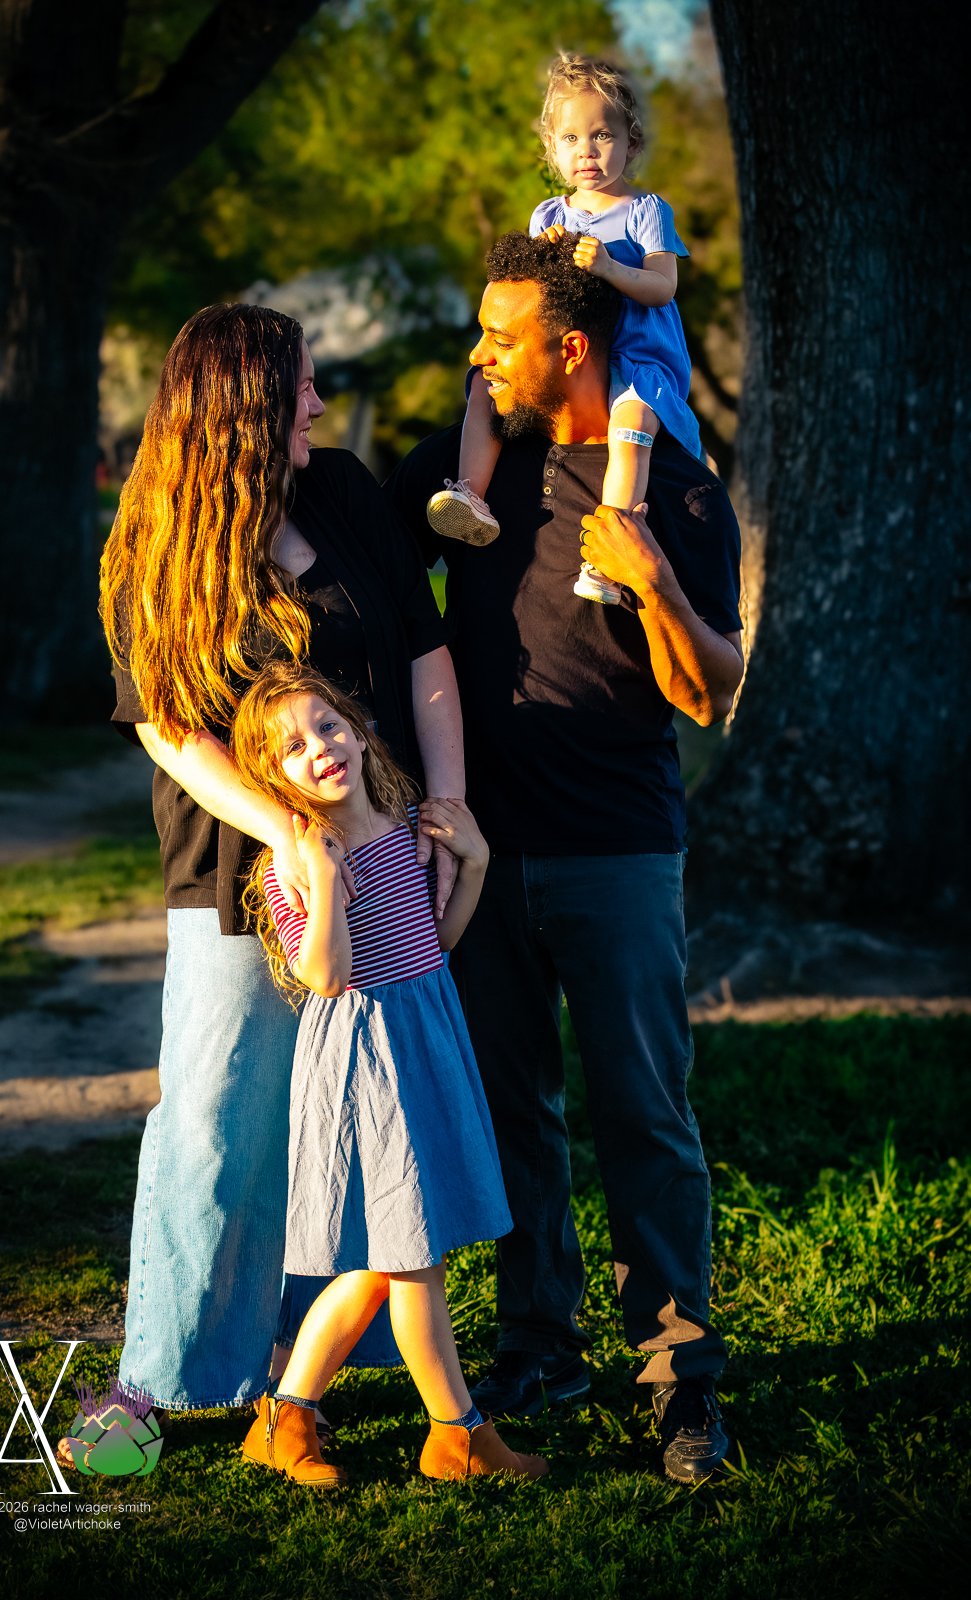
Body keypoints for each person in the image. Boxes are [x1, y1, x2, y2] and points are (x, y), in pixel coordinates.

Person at [387, 230, 744, 1484]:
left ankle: (680, 1376)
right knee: (513, 1114)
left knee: (644, 1112)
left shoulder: (683, 493)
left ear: (571, 347)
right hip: (481, 858)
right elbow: (347, 560)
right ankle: (540, 1341)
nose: (477, 356)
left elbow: (708, 692)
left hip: (618, 852)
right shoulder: (467, 480)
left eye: (500, 336)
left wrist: (647, 577)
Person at [97, 303, 464, 1416]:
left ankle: (313, 1368)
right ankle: (159, 1379)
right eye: (298, 386)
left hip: (378, 855)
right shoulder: (155, 536)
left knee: (354, 1106)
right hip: (231, 872)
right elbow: (165, 722)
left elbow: (424, 653)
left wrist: (446, 803)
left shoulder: (344, 491)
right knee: (216, 1111)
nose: (315, 400)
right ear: (243, 407)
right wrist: (284, 830)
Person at [229, 663, 547, 1486]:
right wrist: (327, 878)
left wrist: (470, 866)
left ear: (361, 732)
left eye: (329, 727)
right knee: (413, 1260)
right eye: (293, 747)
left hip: (427, 1037)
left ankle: (285, 1413)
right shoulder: (294, 864)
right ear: (274, 777)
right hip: (362, 1057)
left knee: (384, 1259)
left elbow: (434, 940)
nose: (320, 749)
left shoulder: (408, 825)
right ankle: (459, 1435)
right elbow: (325, 975)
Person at [427, 52, 701, 606]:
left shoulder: (645, 210)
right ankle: (471, 494)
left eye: (603, 136)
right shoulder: (549, 215)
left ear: (632, 143)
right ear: (552, 148)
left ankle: (609, 554)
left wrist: (607, 266)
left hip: (635, 357)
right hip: (566, 355)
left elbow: (661, 288)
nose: (588, 152)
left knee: (631, 429)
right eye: (572, 138)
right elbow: (534, 297)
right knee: (485, 379)